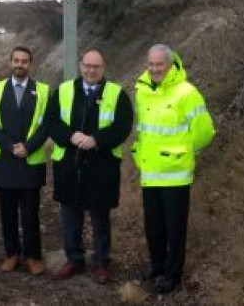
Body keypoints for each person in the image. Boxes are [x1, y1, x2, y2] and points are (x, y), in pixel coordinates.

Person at [133, 44, 215, 294]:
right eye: (151, 64)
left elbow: (204, 132)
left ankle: (173, 274)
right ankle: (157, 265)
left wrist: (185, 152)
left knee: (175, 229)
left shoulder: (187, 92)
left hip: (176, 175)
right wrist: (138, 153)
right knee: (153, 226)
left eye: (160, 64)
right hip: (150, 172)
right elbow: (144, 129)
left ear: (170, 65)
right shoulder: (142, 91)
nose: (155, 69)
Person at [47, 48, 133, 284]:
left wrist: (97, 140)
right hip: (68, 164)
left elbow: (123, 126)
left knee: (100, 218)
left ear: (103, 68)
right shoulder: (64, 90)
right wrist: (70, 136)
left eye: (96, 66)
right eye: (87, 65)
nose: (91, 70)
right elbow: (51, 120)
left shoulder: (117, 94)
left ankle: (101, 262)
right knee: (69, 217)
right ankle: (74, 259)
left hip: (101, 166)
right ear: (80, 65)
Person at [0, 46, 49, 275]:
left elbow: (46, 125)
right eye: (16, 60)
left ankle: (33, 257)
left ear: (30, 65)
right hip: (5, 160)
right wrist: (10, 147)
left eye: (24, 61)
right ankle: (11, 254)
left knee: (31, 213)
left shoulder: (42, 90)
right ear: (10, 62)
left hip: (31, 161)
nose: (20, 65)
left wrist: (28, 147)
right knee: (8, 212)